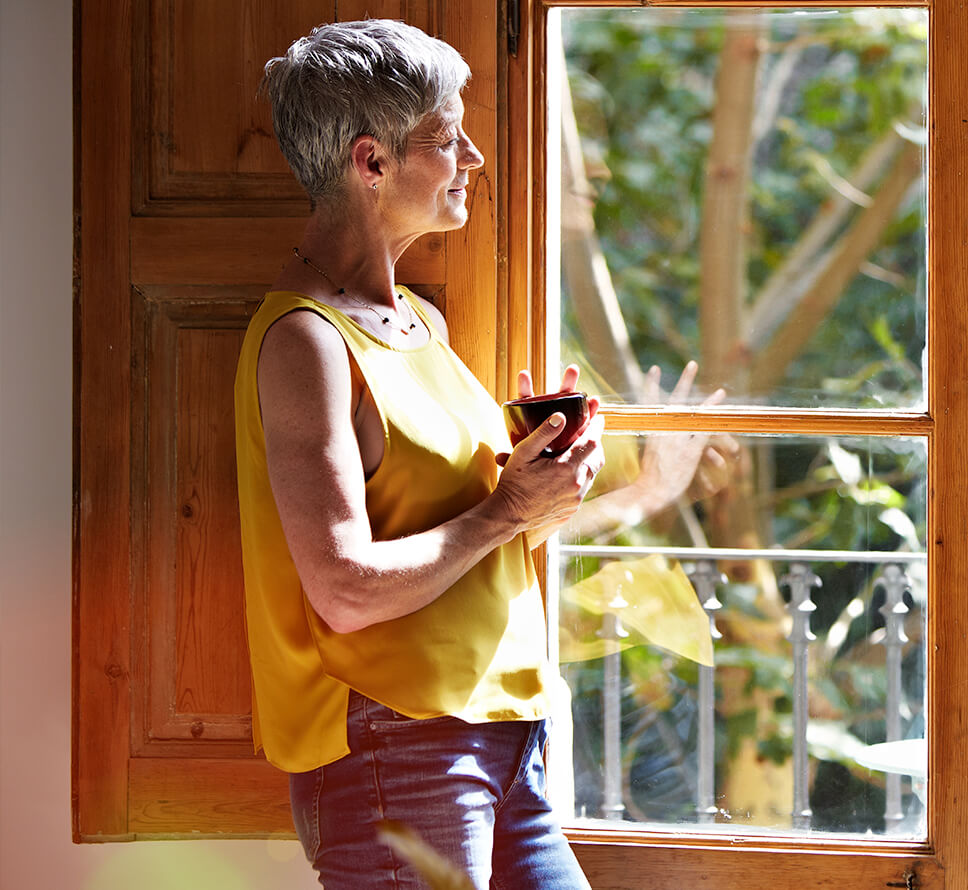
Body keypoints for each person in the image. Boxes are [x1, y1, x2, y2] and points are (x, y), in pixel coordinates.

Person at [235, 19, 602, 890]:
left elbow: (460, 547)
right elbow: (347, 587)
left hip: (508, 736)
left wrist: (539, 496)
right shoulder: (306, 342)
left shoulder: (421, 326)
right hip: (397, 751)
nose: (472, 156)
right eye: (447, 137)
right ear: (371, 162)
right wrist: (506, 510)